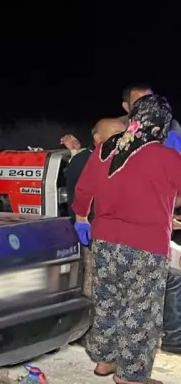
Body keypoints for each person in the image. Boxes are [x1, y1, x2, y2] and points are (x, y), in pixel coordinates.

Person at [72, 94, 181, 384]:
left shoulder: (107, 148)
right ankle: (131, 373)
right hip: (146, 244)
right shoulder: (166, 156)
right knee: (141, 308)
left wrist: (81, 217)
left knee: (107, 300)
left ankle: (105, 359)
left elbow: (84, 189)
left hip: (105, 240)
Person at [60, 118, 125, 300]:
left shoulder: (111, 159)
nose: (124, 138)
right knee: (95, 288)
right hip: (95, 235)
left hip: (114, 235)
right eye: (117, 134)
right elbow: (82, 198)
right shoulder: (86, 161)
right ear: (98, 138)